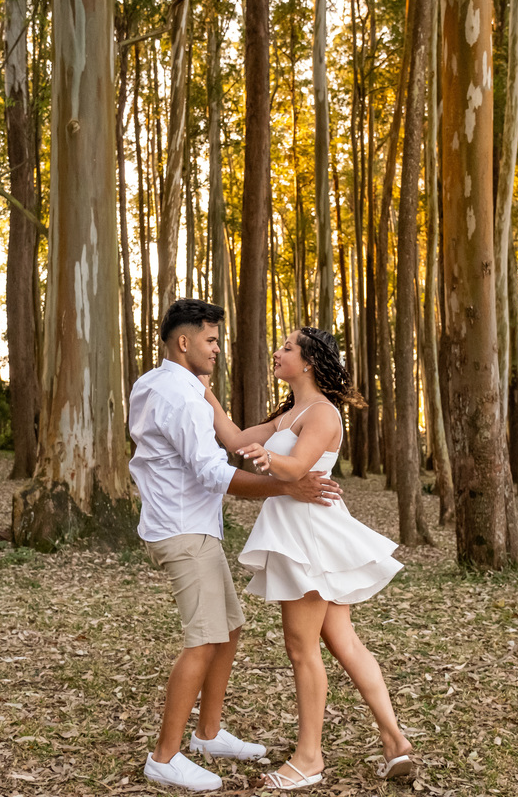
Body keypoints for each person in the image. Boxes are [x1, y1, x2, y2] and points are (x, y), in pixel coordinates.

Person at [129, 299, 343, 792]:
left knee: (228, 629)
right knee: (205, 639)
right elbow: (213, 473)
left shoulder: (155, 383)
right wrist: (287, 487)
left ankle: (208, 734)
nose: (217, 349)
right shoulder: (182, 397)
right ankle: (165, 757)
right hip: (184, 528)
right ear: (184, 341)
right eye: (210, 340)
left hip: (184, 523)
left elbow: (224, 442)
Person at [204, 326, 415, 790]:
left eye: (287, 347)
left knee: (302, 648)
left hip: (309, 538)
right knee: (343, 641)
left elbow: (298, 467)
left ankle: (309, 759)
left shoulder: (321, 413)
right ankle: (395, 741)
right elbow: (234, 437)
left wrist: (265, 458)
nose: (277, 352)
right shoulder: (288, 415)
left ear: (309, 362)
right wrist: (202, 389)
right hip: (302, 532)